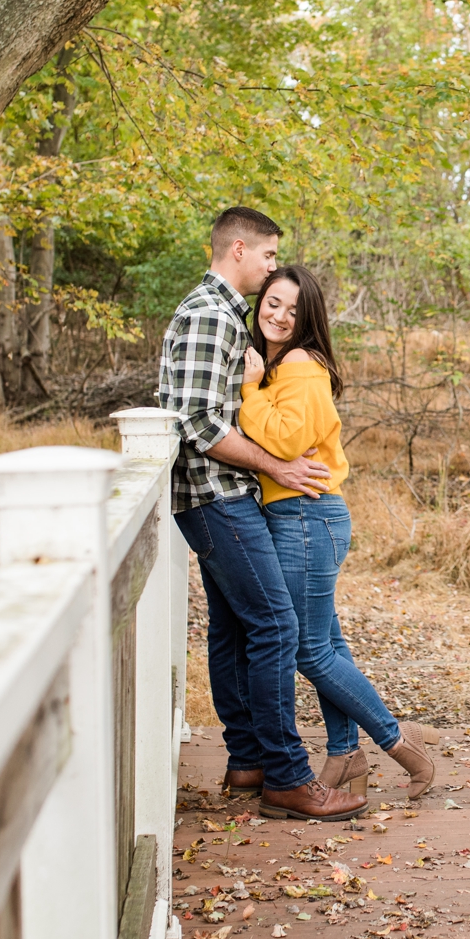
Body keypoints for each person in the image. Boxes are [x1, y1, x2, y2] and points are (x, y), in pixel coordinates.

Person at [158, 207, 367, 821]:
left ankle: (248, 759)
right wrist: (274, 466)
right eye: (271, 256)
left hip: (222, 492)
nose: (275, 266)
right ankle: (286, 775)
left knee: (232, 627)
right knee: (278, 626)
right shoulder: (208, 314)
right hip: (215, 494)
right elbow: (196, 422)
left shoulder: (228, 317)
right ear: (241, 249)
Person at [238, 265, 439, 798]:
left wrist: (249, 390)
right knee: (326, 643)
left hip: (306, 518)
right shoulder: (286, 365)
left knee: (309, 652)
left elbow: (283, 441)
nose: (278, 315)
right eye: (272, 302)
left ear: (309, 320)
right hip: (305, 517)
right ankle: (346, 754)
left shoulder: (300, 365)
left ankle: (400, 747)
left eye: (292, 310)